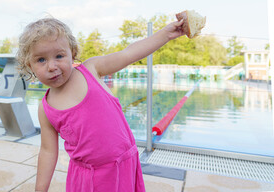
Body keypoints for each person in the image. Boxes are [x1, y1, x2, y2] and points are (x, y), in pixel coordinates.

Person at [17, 17, 185, 191]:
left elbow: (128, 54)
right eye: (41, 60)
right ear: (30, 65)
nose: (52, 66)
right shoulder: (46, 108)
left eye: (59, 56)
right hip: (88, 178)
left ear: (72, 53)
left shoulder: (91, 69)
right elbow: (48, 151)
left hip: (124, 164)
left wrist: (166, 34)